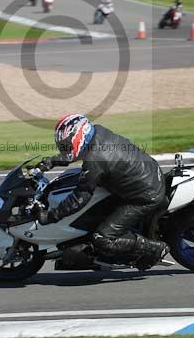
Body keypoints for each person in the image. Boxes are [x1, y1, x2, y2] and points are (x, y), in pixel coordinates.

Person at [36, 114, 170, 270]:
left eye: (66, 144)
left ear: (78, 136)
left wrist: (51, 216)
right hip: (147, 176)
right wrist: (52, 161)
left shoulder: (95, 160)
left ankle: (154, 248)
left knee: (102, 238)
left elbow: (80, 198)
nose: (64, 147)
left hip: (144, 196)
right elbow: (78, 152)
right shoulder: (98, 133)